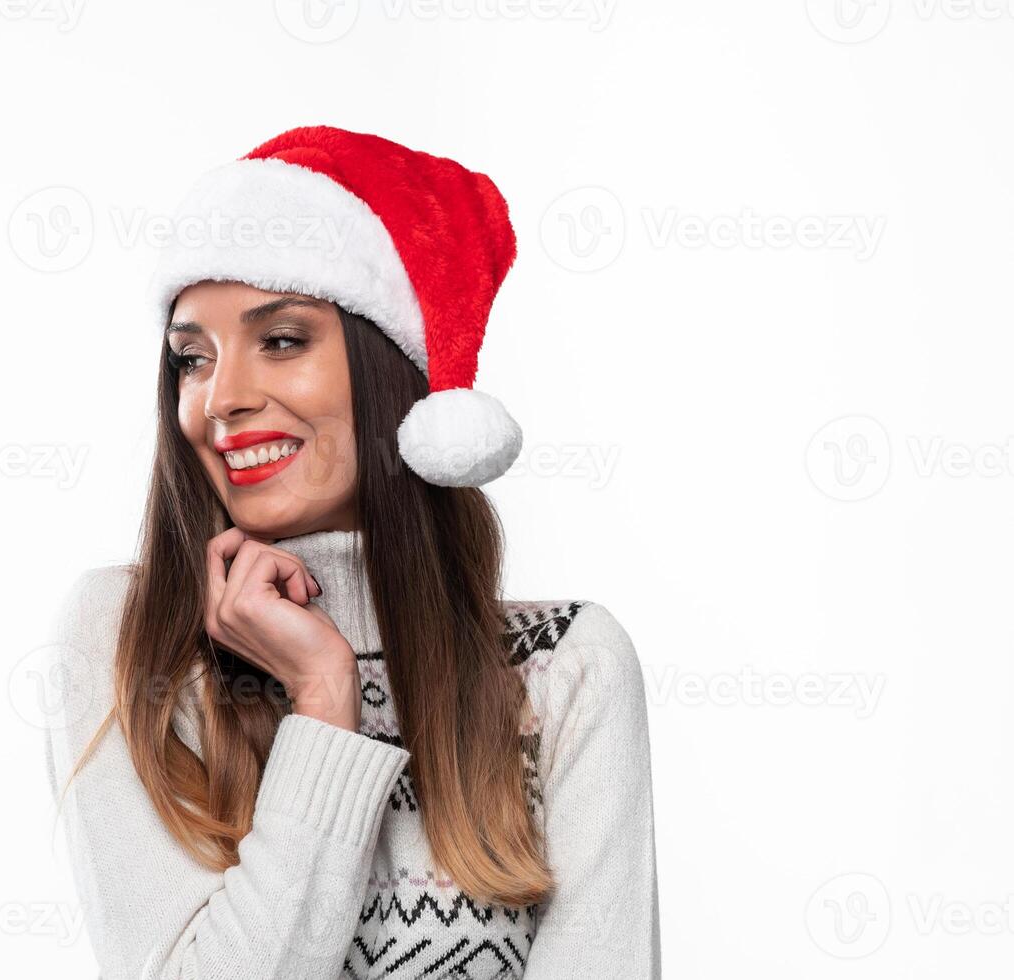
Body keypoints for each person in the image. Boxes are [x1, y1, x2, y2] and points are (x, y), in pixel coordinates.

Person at [41, 125, 659, 980]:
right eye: (191, 358)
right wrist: (323, 698)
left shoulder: (563, 667)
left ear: (390, 374)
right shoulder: (126, 636)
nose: (220, 399)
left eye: (282, 340)